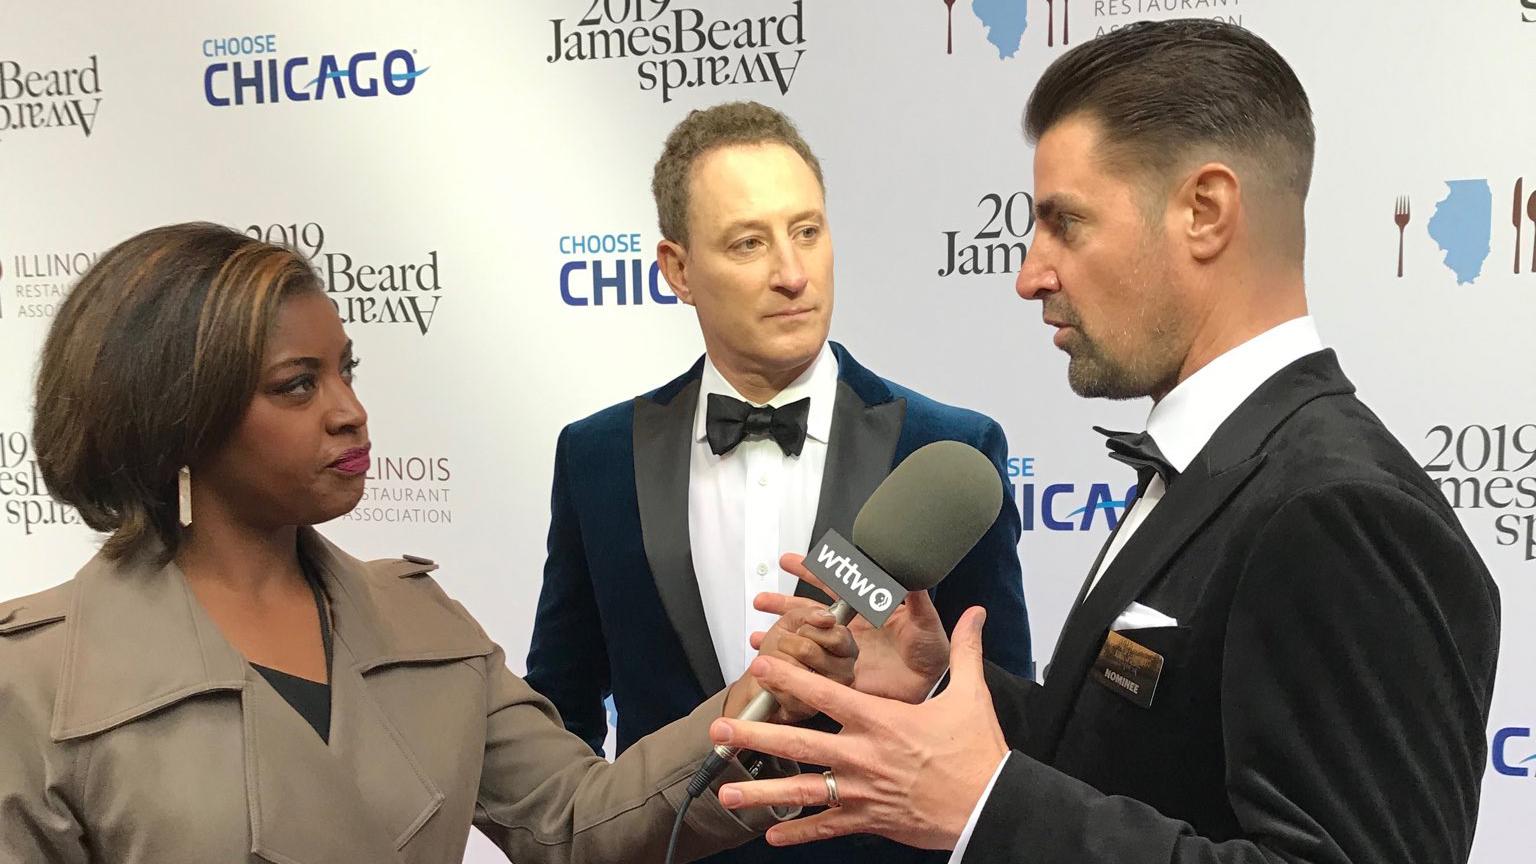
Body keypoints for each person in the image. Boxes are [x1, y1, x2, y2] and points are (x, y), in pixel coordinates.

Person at [703, 20, 1501, 864]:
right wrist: (936, 688)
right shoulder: (1223, 466)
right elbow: (1131, 763)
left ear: (1205, 211)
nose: (1028, 273)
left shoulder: (1342, 509)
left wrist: (989, 808)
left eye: (1065, 224)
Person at [0, 222, 860, 864]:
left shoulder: (421, 625)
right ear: (176, 423)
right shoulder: (37, 685)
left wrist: (758, 702)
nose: (349, 410)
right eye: (298, 386)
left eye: (347, 369)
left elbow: (575, 820)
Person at [523, 101, 1033, 864]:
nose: (793, 274)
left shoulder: (948, 451)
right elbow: (561, 708)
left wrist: (921, 691)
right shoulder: (597, 455)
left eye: (807, 231)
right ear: (677, 270)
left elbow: (1001, 724)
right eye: (748, 243)